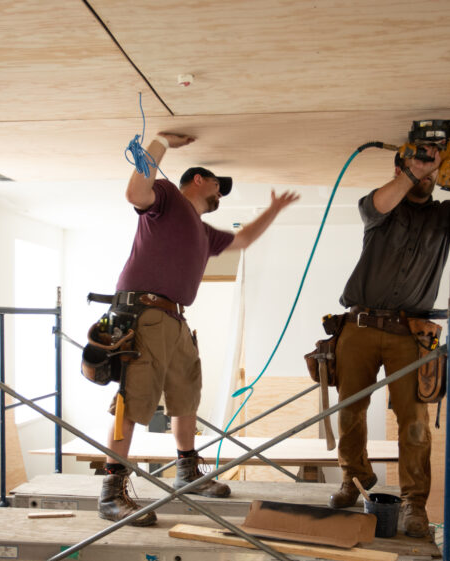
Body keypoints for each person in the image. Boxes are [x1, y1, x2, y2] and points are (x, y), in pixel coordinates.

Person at [96, 132, 300, 526]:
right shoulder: (169, 199)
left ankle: (188, 473)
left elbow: (243, 239)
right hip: (144, 312)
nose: (220, 194)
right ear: (197, 180)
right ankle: (111, 492)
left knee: (186, 395)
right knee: (135, 400)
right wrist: (159, 143)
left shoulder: (203, 232)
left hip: (174, 319)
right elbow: (136, 192)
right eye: (218, 185)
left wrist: (273, 210)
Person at [328, 130, 450, 538]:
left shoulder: (445, 216)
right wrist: (413, 170)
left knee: (415, 421)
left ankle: (413, 505)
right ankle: (353, 480)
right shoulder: (379, 208)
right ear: (401, 167)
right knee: (350, 410)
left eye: (433, 167)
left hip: (412, 332)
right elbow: (382, 201)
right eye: (419, 164)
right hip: (360, 325)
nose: (427, 172)